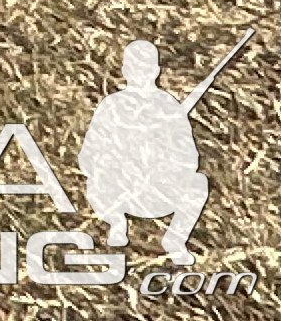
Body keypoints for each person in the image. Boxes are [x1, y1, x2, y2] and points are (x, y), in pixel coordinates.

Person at [80, 40, 211, 266]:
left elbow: (190, 158)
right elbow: (88, 157)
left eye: (145, 68)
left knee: (198, 183)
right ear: (125, 71)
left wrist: (161, 163)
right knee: (96, 177)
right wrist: (119, 162)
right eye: (134, 68)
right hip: (118, 193)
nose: (140, 74)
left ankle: (176, 239)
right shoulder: (112, 105)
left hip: (158, 193)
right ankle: (116, 223)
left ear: (155, 71)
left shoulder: (168, 106)